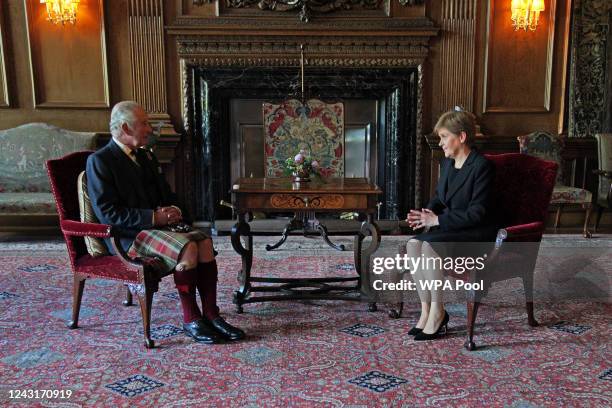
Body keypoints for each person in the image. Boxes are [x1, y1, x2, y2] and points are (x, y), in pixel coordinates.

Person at [86, 100, 245, 344]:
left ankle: (212, 315)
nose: (149, 129)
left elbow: (166, 194)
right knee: (188, 247)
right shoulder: (101, 161)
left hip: (158, 230)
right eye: (144, 124)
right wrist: (153, 217)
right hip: (127, 236)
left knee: (203, 241)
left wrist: (174, 210)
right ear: (126, 128)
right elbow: (108, 214)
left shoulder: (145, 156)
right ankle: (192, 319)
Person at [405, 108, 498, 341]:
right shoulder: (447, 164)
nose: (440, 142)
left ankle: (439, 310)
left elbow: (477, 213)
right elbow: (440, 197)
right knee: (412, 245)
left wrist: (436, 220)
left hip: (475, 234)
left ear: (462, 137)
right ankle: (426, 310)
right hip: (451, 228)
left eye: (444, 136)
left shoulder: (481, 167)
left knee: (429, 248)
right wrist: (425, 213)